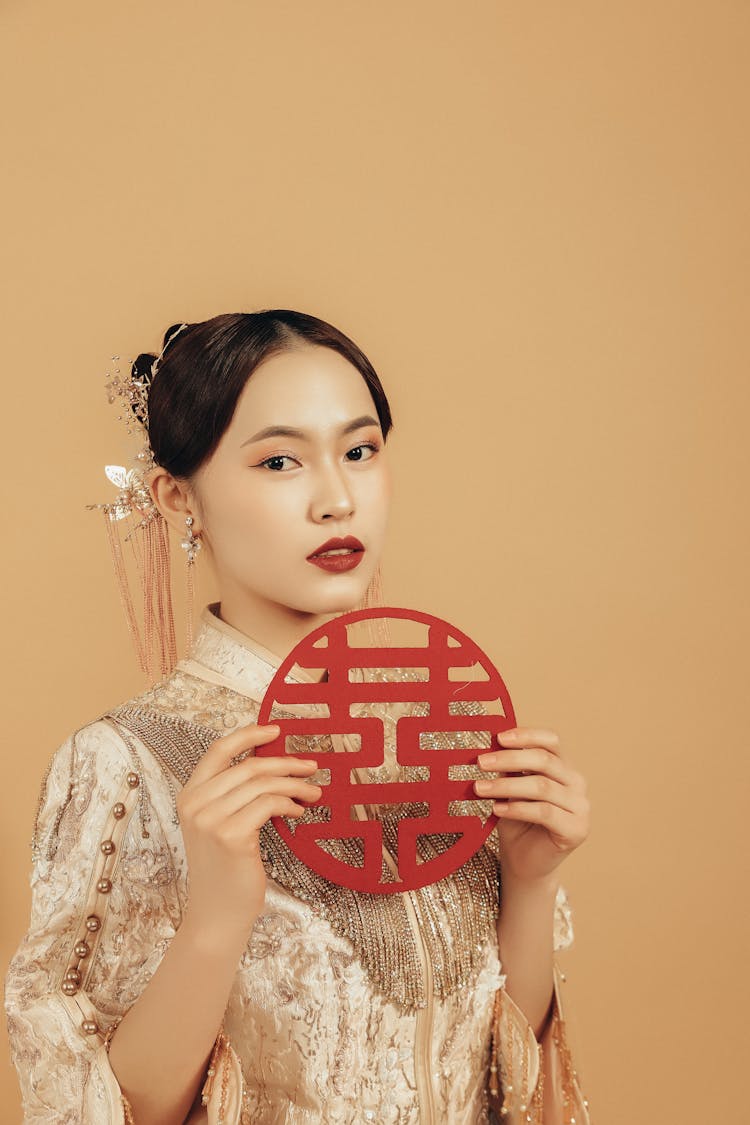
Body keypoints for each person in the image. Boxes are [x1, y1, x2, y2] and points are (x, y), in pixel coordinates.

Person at [4, 310, 592, 1124]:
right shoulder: (125, 762)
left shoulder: (451, 739)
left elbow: (499, 1084)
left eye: (360, 451)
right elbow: (92, 1107)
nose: (338, 498)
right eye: (280, 460)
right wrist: (215, 921)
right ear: (178, 498)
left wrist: (529, 882)